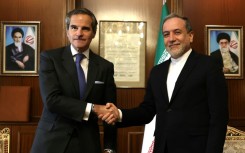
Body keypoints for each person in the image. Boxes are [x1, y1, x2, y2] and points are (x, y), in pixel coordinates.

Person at [101, 13, 229, 153]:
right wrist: (119, 114)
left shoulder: (209, 66)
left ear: (190, 36)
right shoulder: (157, 72)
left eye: (177, 32)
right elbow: (147, 111)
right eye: (166, 34)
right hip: (162, 147)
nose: (171, 39)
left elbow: (219, 117)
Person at [31, 8, 117, 153]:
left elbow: (110, 111)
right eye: (74, 27)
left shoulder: (105, 66)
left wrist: (110, 147)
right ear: (67, 31)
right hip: (51, 142)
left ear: (93, 33)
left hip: (88, 144)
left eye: (85, 28)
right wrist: (94, 108)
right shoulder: (50, 58)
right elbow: (52, 100)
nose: (79, 33)